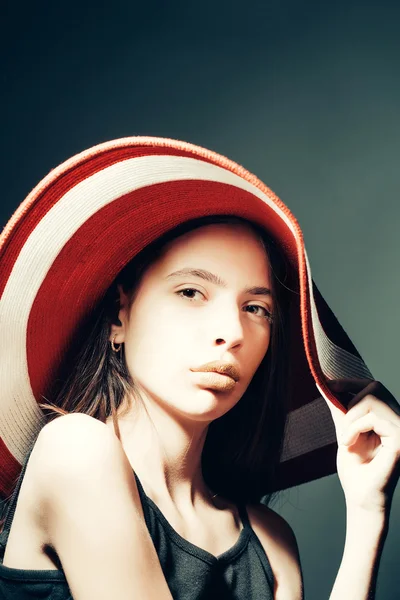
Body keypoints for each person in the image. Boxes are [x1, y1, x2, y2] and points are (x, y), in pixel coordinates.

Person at [0, 137, 399, 600]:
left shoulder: (271, 545)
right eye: (191, 292)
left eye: (256, 308)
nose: (232, 332)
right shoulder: (74, 451)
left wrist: (369, 510)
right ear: (118, 317)